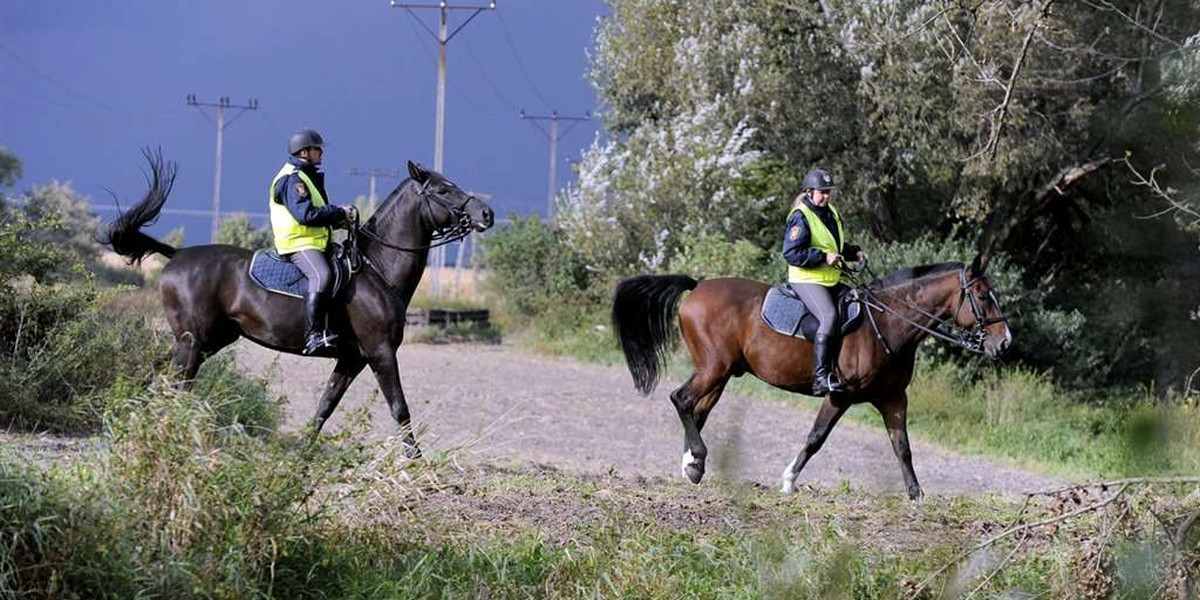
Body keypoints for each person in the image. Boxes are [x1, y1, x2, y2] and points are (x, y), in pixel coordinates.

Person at [268, 129, 357, 356]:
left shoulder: (304, 175)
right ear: (305, 152)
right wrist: (338, 212)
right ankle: (313, 336)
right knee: (322, 275)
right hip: (297, 244)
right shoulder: (293, 179)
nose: (321, 152)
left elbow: (316, 215)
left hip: (313, 241)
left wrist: (339, 221)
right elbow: (305, 215)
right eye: (318, 148)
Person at [782, 169, 867, 395]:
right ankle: (820, 377)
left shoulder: (830, 212)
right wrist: (822, 258)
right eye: (823, 192)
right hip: (806, 279)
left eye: (829, 192)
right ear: (809, 192)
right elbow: (792, 254)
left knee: (859, 304)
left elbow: (832, 246)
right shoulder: (800, 216)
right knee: (828, 316)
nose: (827, 196)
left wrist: (854, 252)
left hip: (830, 279)